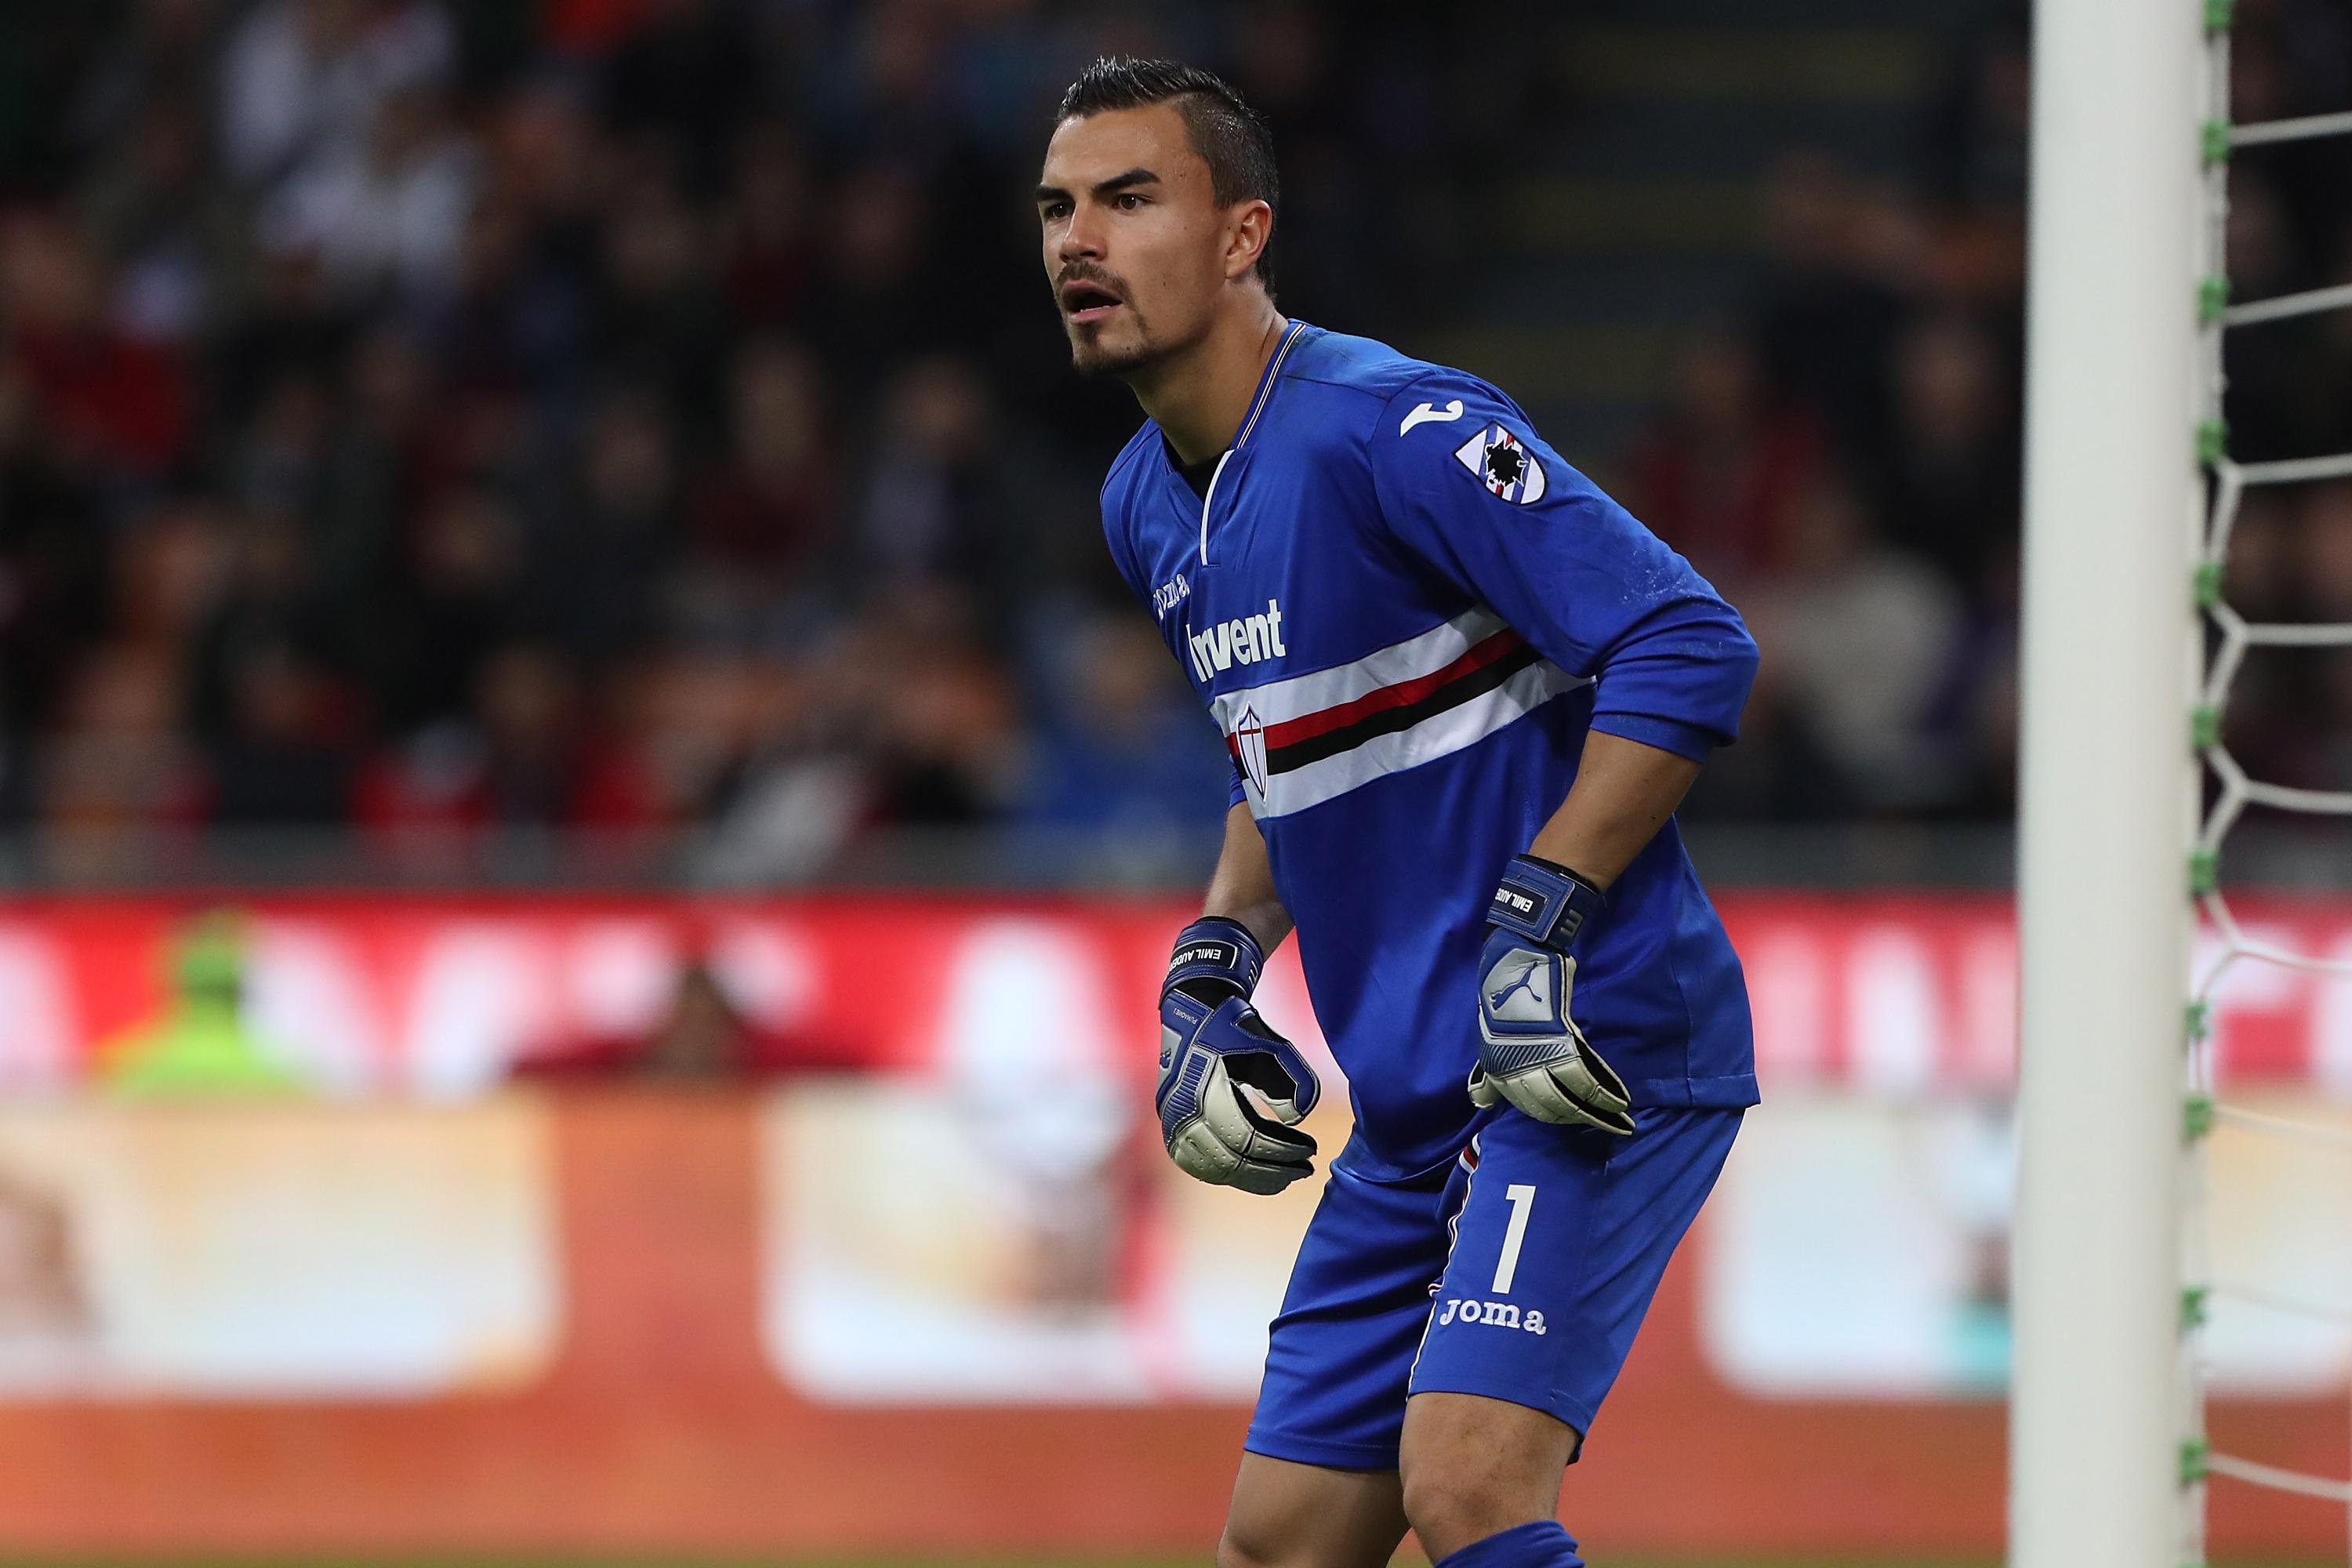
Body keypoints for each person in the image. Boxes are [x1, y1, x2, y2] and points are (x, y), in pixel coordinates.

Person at [1034, 60, 1762, 1568]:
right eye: (1056, 208)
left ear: (1244, 235)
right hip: (1418, 1095)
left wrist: (1542, 913)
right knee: (1285, 1540)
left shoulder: (1396, 430)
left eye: (1127, 198)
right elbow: (1279, 757)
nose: (1076, 242)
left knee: (1470, 1488)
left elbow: (1687, 642)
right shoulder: (1144, 504)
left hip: (1584, 1044)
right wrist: (1215, 964)